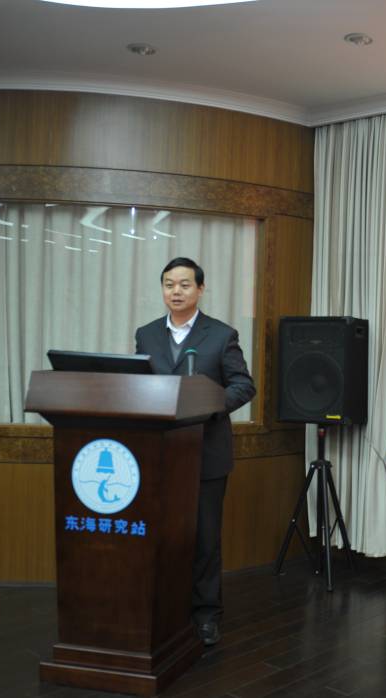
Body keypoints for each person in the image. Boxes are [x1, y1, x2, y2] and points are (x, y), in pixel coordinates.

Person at [134, 257, 255, 647]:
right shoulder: (146, 335)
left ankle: (206, 615)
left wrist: (209, 405)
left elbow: (243, 385)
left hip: (206, 453)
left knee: (204, 539)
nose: (176, 291)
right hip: (159, 455)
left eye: (184, 284)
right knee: (165, 536)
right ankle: (167, 610)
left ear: (200, 289)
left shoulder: (221, 335)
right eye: (169, 284)